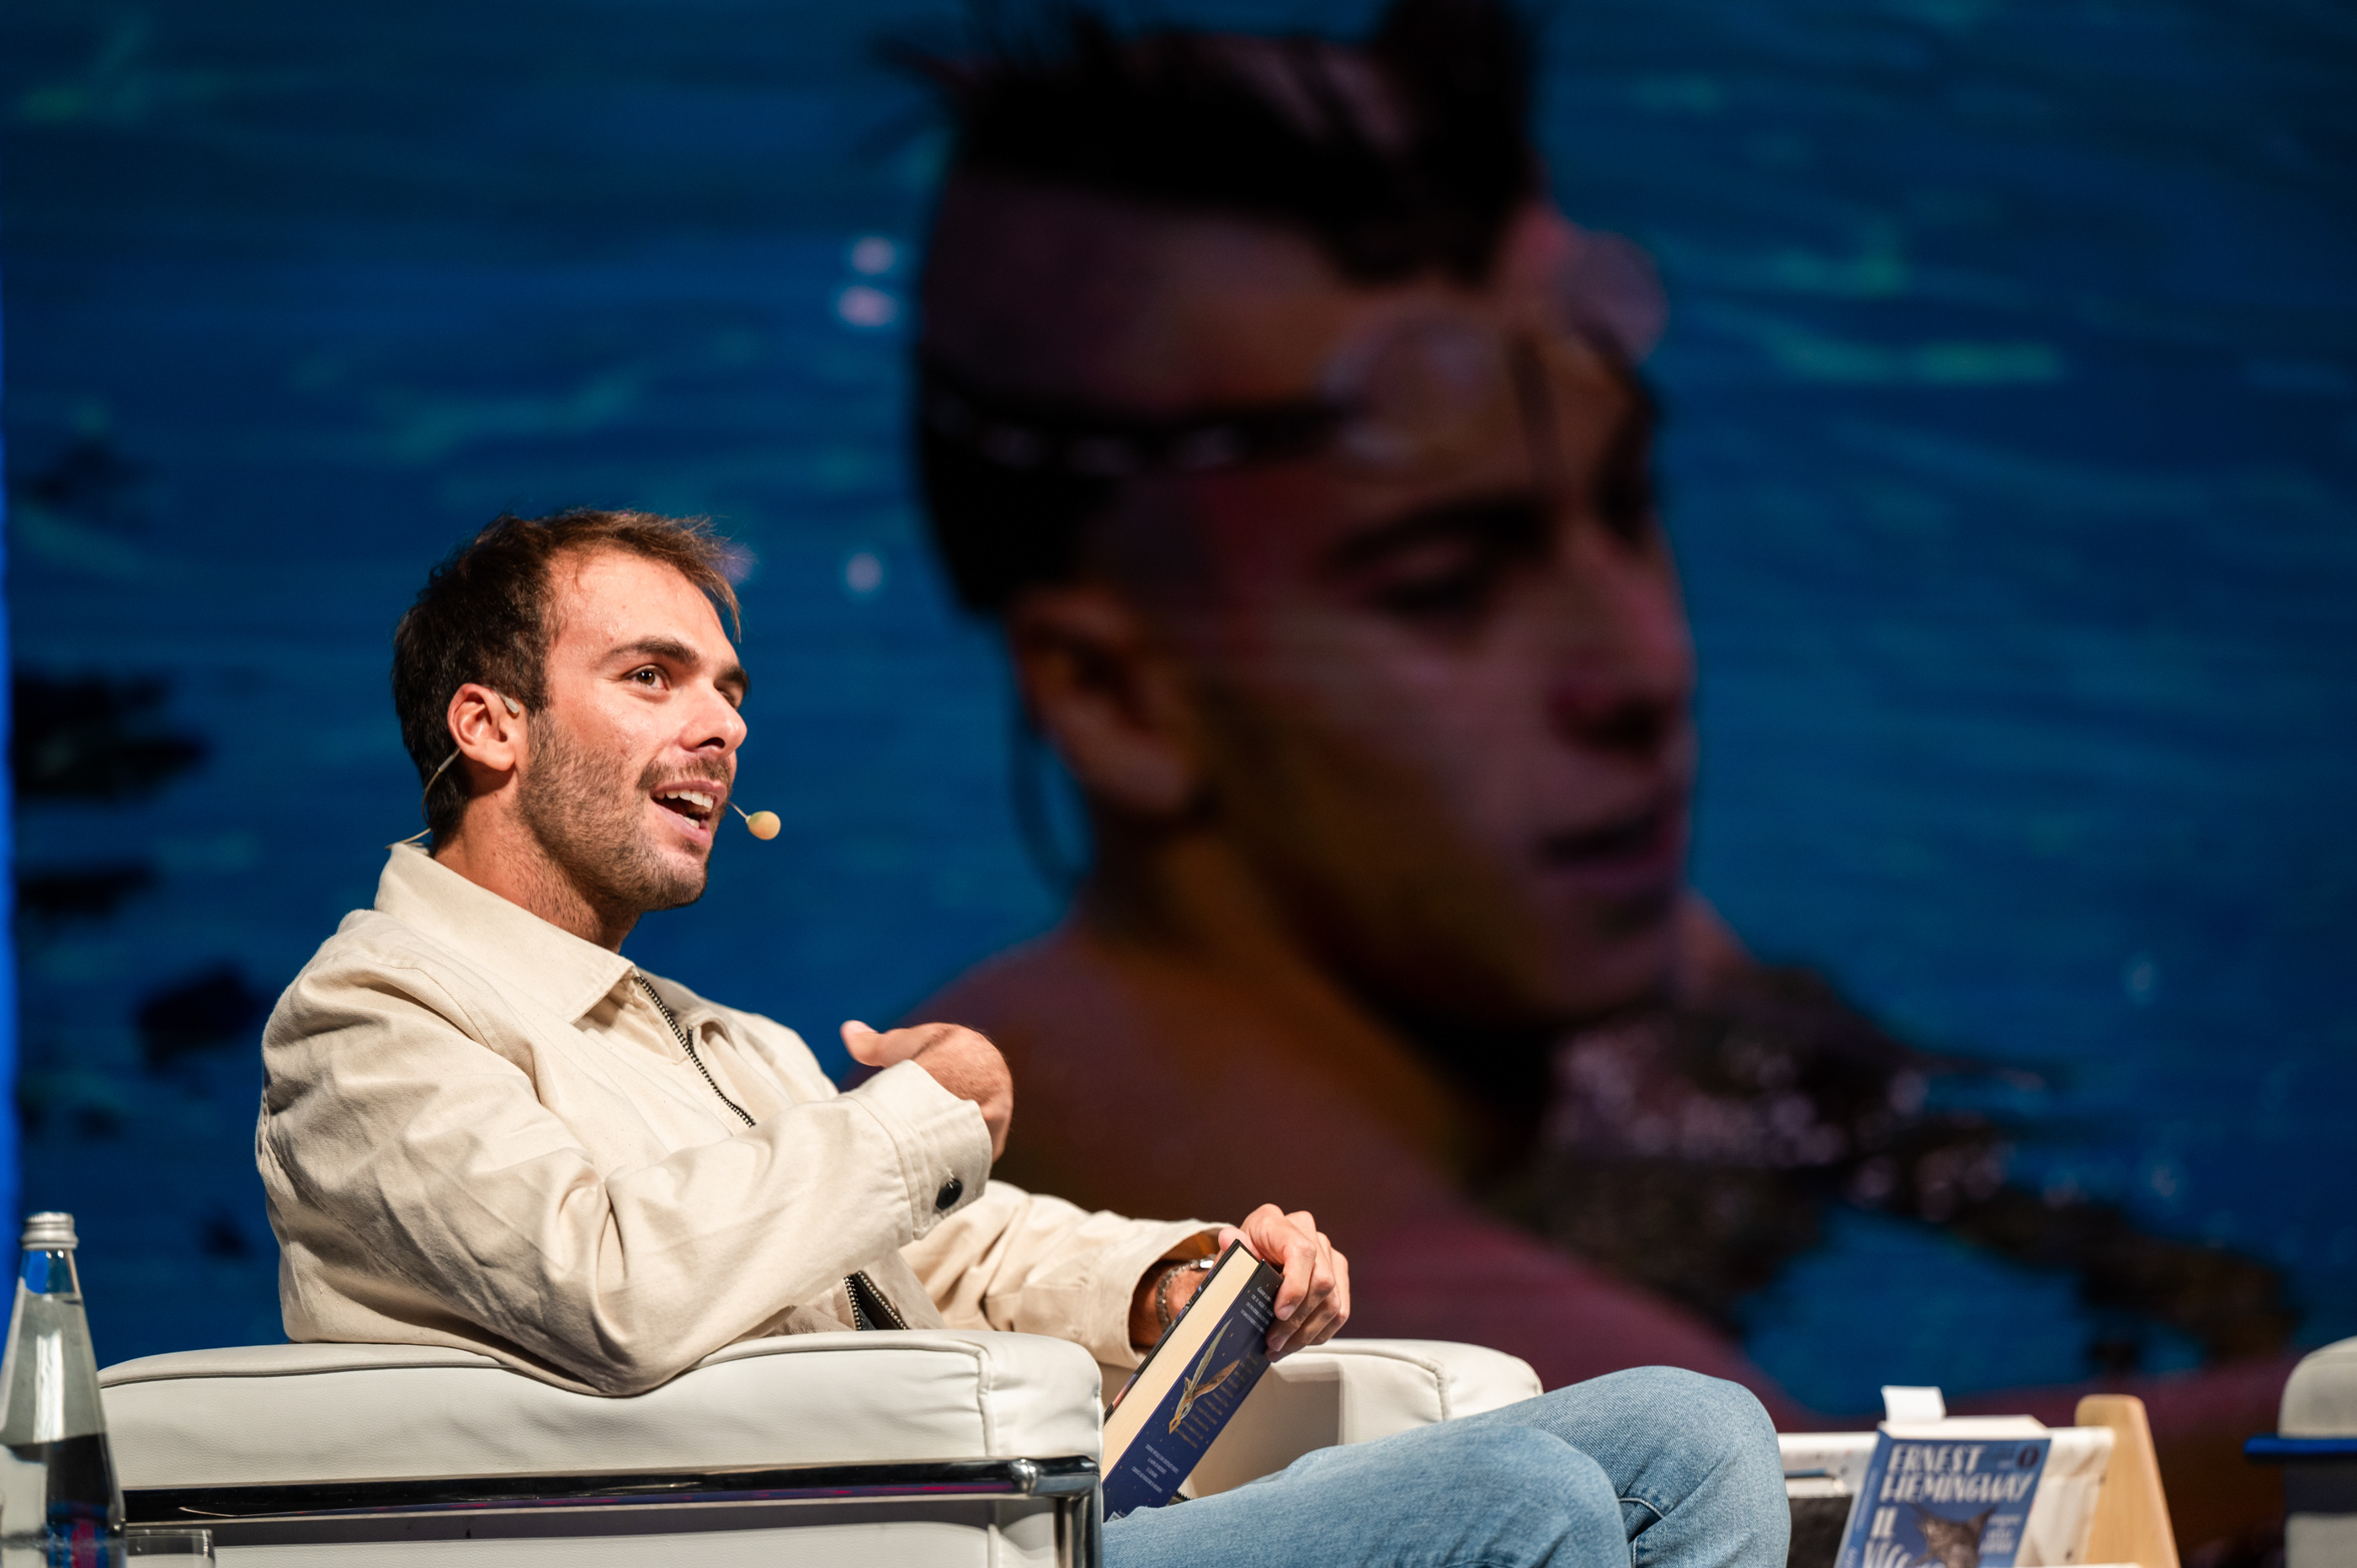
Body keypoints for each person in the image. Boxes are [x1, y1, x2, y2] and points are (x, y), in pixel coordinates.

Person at [902, 1, 2294, 1554]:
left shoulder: (1500, 931)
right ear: (1117, 696)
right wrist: (2298, 1421)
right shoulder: (1228, 1164)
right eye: (1447, 582)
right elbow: (1762, 1505)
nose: (1638, 671)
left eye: (1624, 503)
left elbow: (1899, 1134)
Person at [256, 507, 1789, 1568]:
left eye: (729, 689)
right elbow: (611, 1286)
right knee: (1519, 1501)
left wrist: (1168, 1282)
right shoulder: (371, 1025)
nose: (722, 726)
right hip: (799, 1547)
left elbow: (948, 1250)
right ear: (489, 726)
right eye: (652, 678)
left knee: (1696, 1429)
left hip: (957, 1527)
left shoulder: (710, 1038)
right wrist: (925, 1110)